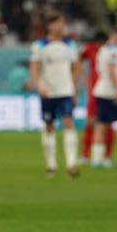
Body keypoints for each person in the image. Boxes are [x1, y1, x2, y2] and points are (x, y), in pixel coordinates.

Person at [29, 9, 81, 178]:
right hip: (48, 92)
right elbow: (35, 68)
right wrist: (39, 86)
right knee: (49, 127)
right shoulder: (39, 46)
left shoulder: (70, 45)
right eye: (58, 23)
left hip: (65, 91)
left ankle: (71, 164)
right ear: (49, 26)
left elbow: (77, 68)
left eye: (63, 23)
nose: (61, 26)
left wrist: (73, 86)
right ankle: (51, 165)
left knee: (68, 123)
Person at [79, 30, 117, 166]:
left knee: (101, 124)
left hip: (99, 90)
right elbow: (112, 72)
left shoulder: (103, 50)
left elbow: (106, 72)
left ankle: (96, 159)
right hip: (110, 92)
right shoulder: (113, 51)